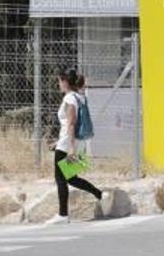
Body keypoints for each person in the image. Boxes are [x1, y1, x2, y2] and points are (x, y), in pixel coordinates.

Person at [44, 69, 104, 225]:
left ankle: (63, 215)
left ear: (65, 82)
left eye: (59, 81)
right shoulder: (81, 97)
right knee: (71, 178)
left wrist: (70, 148)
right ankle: (99, 194)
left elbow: (71, 123)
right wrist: (60, 143)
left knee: (60, 178)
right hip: (79, 142)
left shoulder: (70, 98)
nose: (59, 84)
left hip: (68, 144)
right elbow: (72, 125)